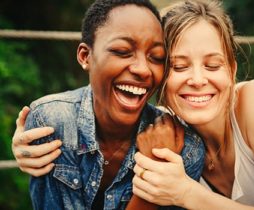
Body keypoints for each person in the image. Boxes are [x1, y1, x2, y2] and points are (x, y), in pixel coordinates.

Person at [11, 0, 205, 209]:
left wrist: (159, 168)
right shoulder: (52, 124)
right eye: (122, 51)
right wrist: (153, 177)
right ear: (85, 56)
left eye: (156, 57)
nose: (143, 69)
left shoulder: (184, 149)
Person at [130, 0, 254, 209]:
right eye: (179, 66)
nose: (198, 79)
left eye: (212, 65)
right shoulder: (164, 132)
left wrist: (187, 194)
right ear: (161, 77)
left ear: (232, 70)